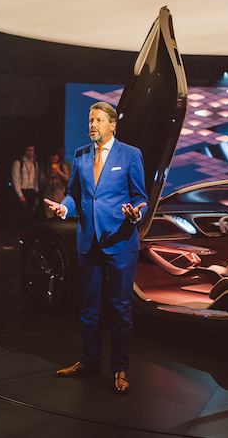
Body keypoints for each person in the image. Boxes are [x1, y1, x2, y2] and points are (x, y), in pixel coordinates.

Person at [45, 102, 147, 395]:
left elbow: (140, 197)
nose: (92, 125)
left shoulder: (131, 154)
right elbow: (74, 194)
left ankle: (120, 368)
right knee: (89, 307)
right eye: (91, 120)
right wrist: (65, 208)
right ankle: (89, 361)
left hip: (120, 242)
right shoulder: (80, 154)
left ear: (112, 125)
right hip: (88, 242)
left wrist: (136, 214)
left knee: (120, 309)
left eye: (99, 120)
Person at [11, 143, 39, 228]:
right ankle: (15, 234)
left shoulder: (34, 163)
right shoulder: (18, 162)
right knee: (17, 217)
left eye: (32, 150)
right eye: (29, 150)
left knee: (28, 217)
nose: (31, 152)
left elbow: (36, 179)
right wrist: (20, 195)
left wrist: (36, 193)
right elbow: (15, 179)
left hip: (31, 191)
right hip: (22, 191)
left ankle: (25, 234)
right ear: (24, 151)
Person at [40, 149, 69, 219]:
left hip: (60, 196)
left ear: (58, 157)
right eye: (52, 160)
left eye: (55, 159)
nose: (53, 161)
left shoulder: (62, 166)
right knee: (49, 218)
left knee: (61, 216)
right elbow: (41, 182)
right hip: (49, 195)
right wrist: (49, 175)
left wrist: (59, 172)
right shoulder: (45, 167)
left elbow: (68, 179)